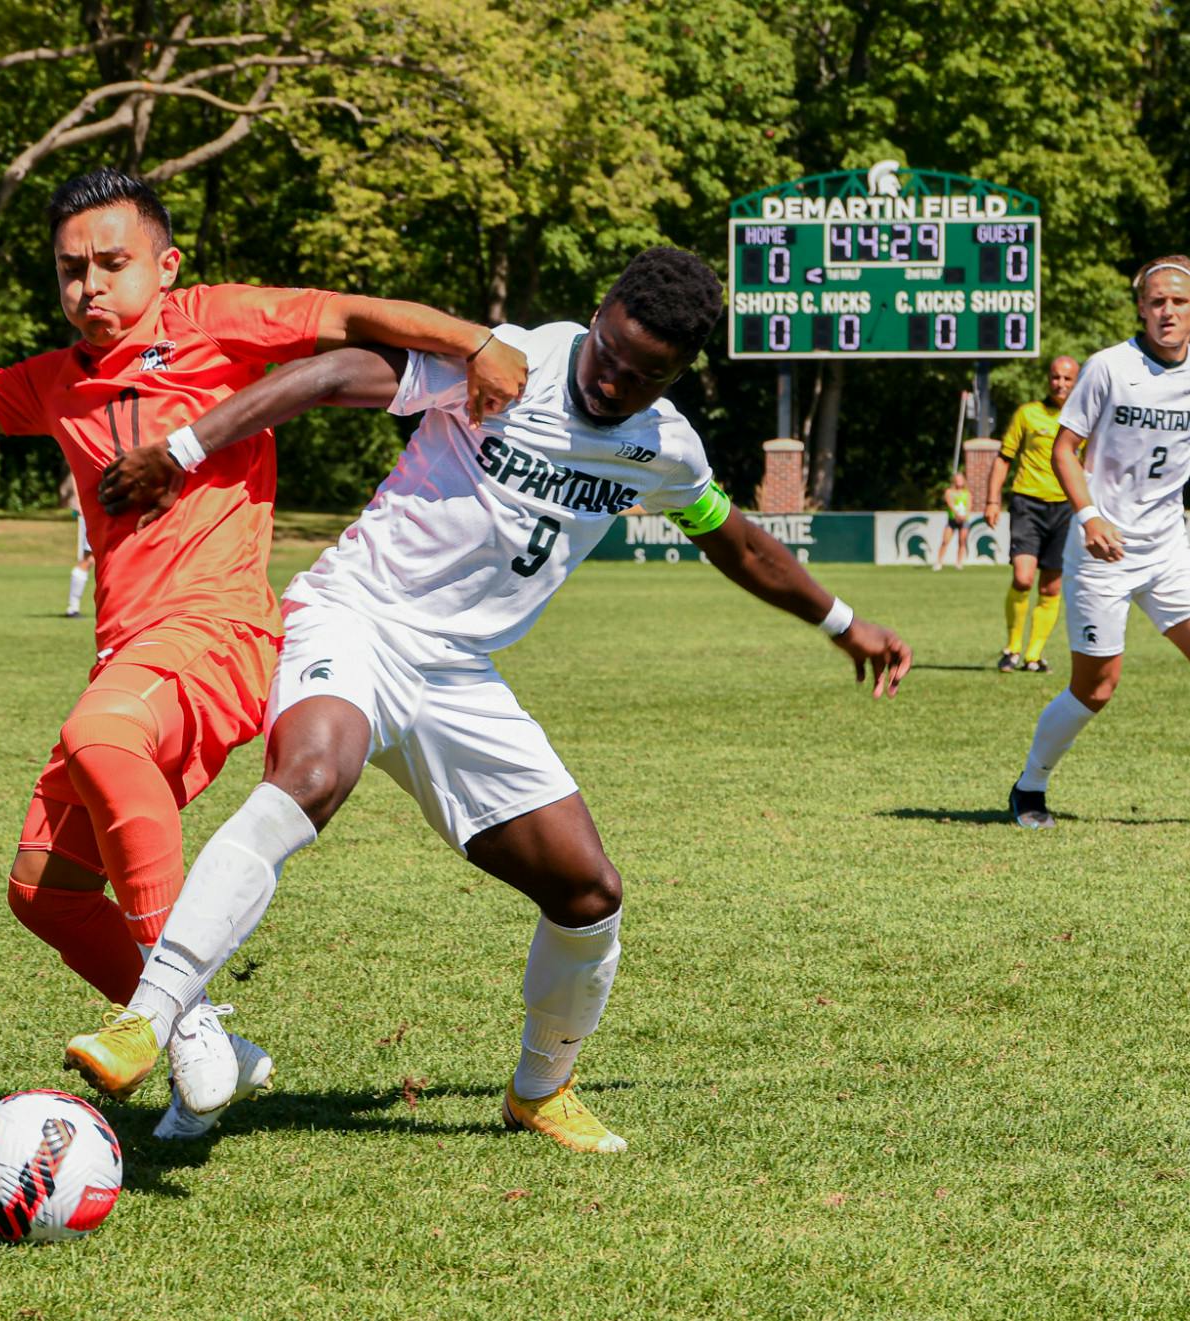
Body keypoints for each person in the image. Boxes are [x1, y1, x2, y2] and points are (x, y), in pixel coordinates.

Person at [0, 167, 527, 1138]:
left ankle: (166, 1023)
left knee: (101, 736)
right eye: (70, 270)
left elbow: (357, 314)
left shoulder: (214, 320)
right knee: (45, 890)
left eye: (111, 263)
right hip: (130, 650)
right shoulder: (59, 380)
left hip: (219, 630)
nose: (89, 285)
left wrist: (479, 343)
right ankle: (209, 1025)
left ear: (163, 263)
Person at [65, 247, 913, 1152]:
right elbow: (328, 374)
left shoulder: (663, 448)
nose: (614, 379)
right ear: (599, 314)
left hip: (460, 677)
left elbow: (734, 541)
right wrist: (184, 450)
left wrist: (843, 622)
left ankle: (539, 1090)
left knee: (588, 892)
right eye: (610, 350)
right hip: (357, 617)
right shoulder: (510, 358)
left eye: (644, 374)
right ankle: (149, 1019)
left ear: (676, 375)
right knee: (313, 772)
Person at [1009, 256, 1190, 830]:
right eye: (1155, 302)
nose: (1166, 311)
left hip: (1167, 551)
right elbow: (1064, 449)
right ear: (1142, 309)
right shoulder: (1107, 368)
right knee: (1096, 688)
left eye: (1177, 301)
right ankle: (1029, 787)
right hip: (1102, 553)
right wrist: (1089, 516)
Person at [985, 357, 1080, 672]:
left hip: (1066, 507)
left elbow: (1092, 463)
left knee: (1051, 587)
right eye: (1056, 377)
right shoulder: (1027, 414)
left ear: (1077, 381)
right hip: (1028, 503)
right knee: (1023, 578)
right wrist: (992, 500)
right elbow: (1003, 459)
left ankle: (1034, 655)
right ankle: (1012, 648)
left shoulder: (1085, 418)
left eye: (1067, 379)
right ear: (1048, 379)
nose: (1061, 384)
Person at [63, 476, 95, 618]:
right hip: (92, 510)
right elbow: (76, 474)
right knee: (89, 559)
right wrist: (80, 503)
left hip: (101, 510)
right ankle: (73, 607)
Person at [932, 471, 970, 571]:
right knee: (945, 541)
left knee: (962, 541)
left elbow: (969, 507)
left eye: (961, 479)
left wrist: (964, 516)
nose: (959, 481)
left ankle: (959, 563)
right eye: (957, 479)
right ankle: (939, 562)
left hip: (964, 520)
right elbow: (950, 504)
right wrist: (957, 514)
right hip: (952, 520)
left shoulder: (967, 493)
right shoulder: (949, 492)